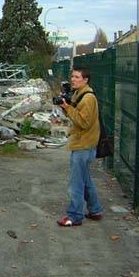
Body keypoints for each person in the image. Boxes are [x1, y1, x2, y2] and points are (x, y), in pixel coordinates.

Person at [57, 66, 103, 227]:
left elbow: (83, 122)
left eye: (77, 77)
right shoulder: (79, 94)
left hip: (84, 144)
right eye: (72, 76)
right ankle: (95, 210)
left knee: (75, 183)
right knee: (85, 180)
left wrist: (68, 108)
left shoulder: (88, 98)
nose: (73, 79)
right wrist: (66, 105)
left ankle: (75, 216)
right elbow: (75, 115)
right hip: (83, 143)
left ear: (85, 80)